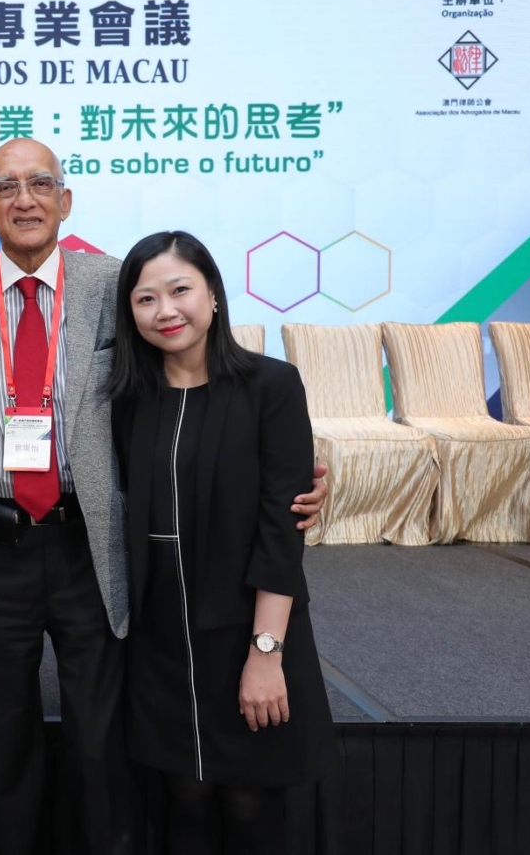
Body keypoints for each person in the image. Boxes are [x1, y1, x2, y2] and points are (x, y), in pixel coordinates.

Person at [0, 137, 327, 855]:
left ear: (66, 200)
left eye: (41, 183)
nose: (25, 199)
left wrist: (303, 469)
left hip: (92, 546)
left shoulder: (119, 283)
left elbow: (201, 378)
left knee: (102, 740)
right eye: (6, 188)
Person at [111, 231, 337, 854]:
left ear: (212, 294)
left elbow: (279, 531)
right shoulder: (128, 400)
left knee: (248, 802)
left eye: (180, 290)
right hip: (159, 642)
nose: (166, 311)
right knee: (182, 800)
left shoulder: (272, 387)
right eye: (145, 298)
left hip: (244, 633)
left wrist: (266, 652)